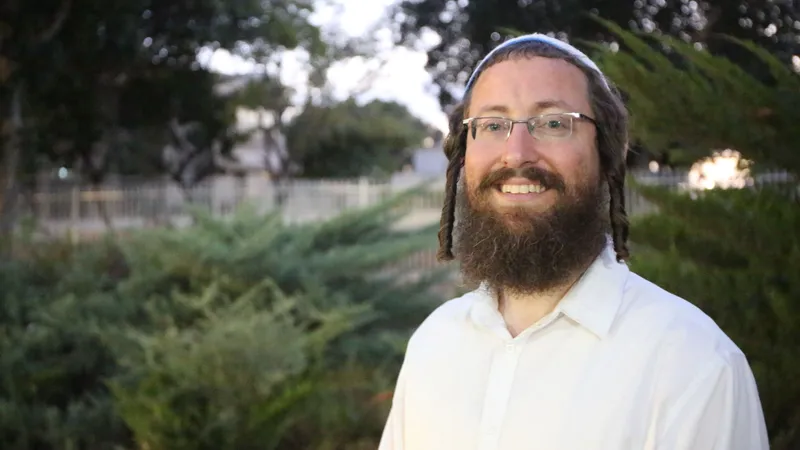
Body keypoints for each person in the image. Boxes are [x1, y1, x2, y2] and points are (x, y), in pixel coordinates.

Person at [378, 34, 769, 450]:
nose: (516, 154)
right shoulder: (434, 342)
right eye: (492, 125)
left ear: (606, 154)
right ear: (463, 155)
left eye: (553, 123)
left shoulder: (693, 364)